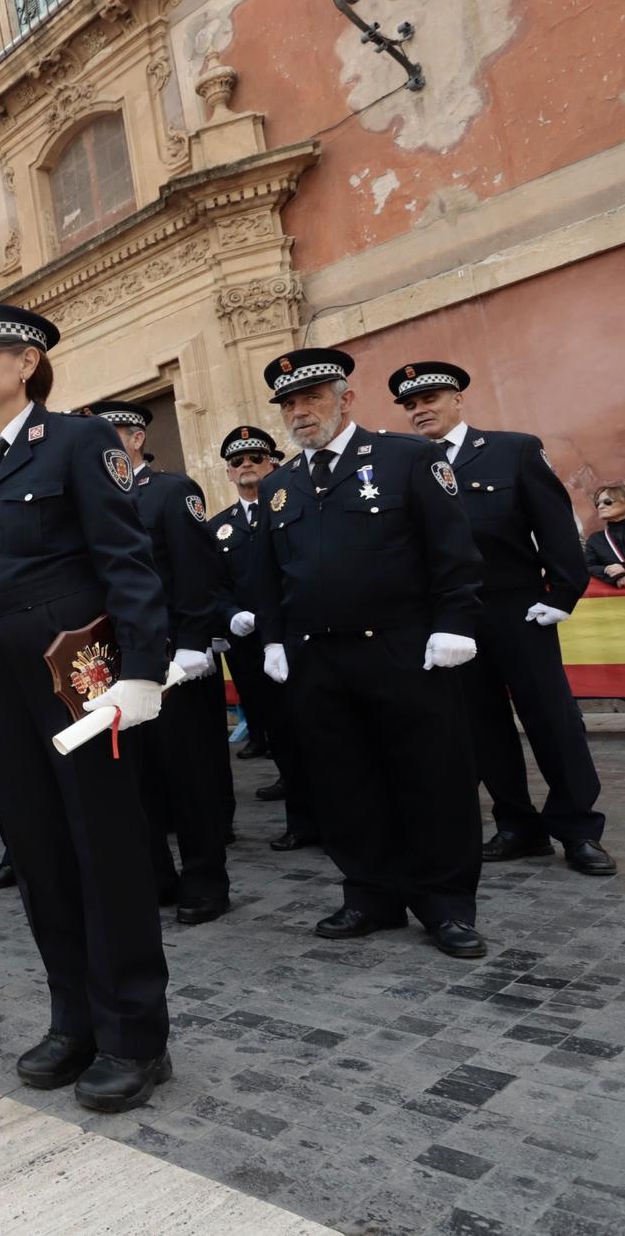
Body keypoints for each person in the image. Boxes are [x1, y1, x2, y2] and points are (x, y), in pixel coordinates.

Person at [0, 302, 172, 1113]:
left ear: (28, 360)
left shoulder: (77, 442)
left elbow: (127, 560)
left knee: (103, 848)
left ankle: (135, 1034)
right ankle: (74, 1017)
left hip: (76, 674)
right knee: (36, 850)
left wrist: (142, 668)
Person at [252, 348, 487, 960]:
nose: (300, 412)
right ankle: (371, 891)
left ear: (344, 398)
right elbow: (270, 575)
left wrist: (454, 621)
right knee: (344, 783)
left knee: (432, 776)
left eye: (311, 397)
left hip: (405, 650)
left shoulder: (407, 458)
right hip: (318, 662)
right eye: (289, 403)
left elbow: (452, 548)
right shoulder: (279, 486)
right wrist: (274, 638)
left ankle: (446, 903)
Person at [391, 361, 614, 875]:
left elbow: (554, 523)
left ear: (457, 399)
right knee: (481, 726)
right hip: (451, 615)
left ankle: (578, 828)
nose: (420, 410)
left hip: (518, 607)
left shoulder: (512, 449)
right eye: (410, 404)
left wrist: (563, 592)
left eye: (430, 399)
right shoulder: (407, 465)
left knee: (552, 720)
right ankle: (517, 825)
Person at [86, 399, 231, 924]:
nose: (108, 446)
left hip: (172, 660)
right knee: (135, 779)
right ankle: (155, 876)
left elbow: (198, 572)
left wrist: (195, 641)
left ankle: (206, 880)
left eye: (116, 435)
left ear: (138, 438)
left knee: (189, 778)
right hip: (116, 665)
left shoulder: (170, 493)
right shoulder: (92, 502)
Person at [209, 426, 319, 852]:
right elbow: (211, 587)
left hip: (298, 639)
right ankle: (302, 820)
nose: (246, 466)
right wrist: (230, 615)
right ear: (228, 474)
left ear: (273, 463)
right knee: (279, 735)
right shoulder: (218, 528)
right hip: (250, 648)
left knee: (319, 729)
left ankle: (336, 817)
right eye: (237, 462)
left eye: (256, 457)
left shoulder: (296, 510)